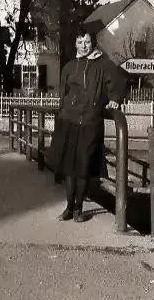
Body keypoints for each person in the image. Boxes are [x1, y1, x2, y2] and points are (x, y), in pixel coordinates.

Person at [48, 27, 126, 222]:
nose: (84, 46)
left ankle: (78, 209)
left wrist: (114, 99)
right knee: (69, 166)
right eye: (80, 42)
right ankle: (68, 207)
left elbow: (118, 82)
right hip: (69, 120)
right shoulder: (69, 67)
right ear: (75, 43)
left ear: (94, 43)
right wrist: (63, 111)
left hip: (90, 121)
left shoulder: (104, 64)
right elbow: (62, 95)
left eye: (88, 42)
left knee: (83, 165)